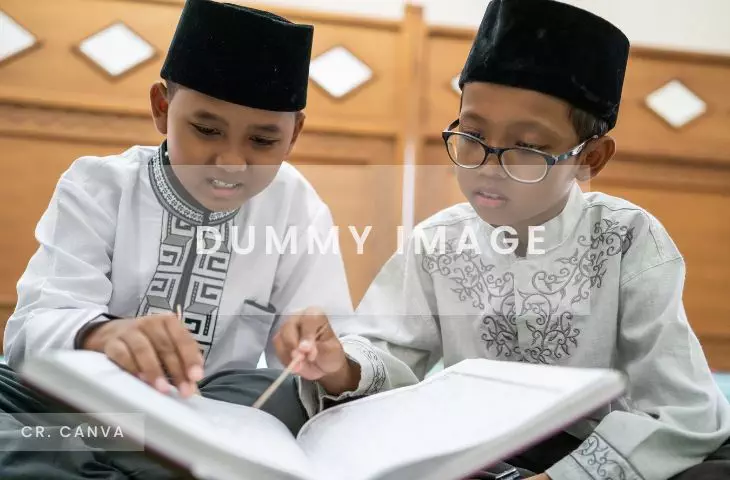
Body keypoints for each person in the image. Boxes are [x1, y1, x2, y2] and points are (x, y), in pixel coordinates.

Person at [278, 0, 730, 479]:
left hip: (604, 450)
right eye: (472, 135)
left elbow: (680, 409)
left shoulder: (627, 239)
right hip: (488, 451)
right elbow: (389, 355)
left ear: (589, 159)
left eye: (528, 147)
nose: (488, 168)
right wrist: (339, 365)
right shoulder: (438, 243)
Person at [0, 0, 355, 477]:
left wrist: (321, 357)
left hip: (206, 412)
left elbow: (332, 351)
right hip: (85, 408)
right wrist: (102, 335)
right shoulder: (99, 185)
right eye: (207, 129)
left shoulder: (296, 206)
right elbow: (34, 330)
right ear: (162, 108)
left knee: (280, 396)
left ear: (294, 135)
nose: (231, 161)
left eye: (262, 141)